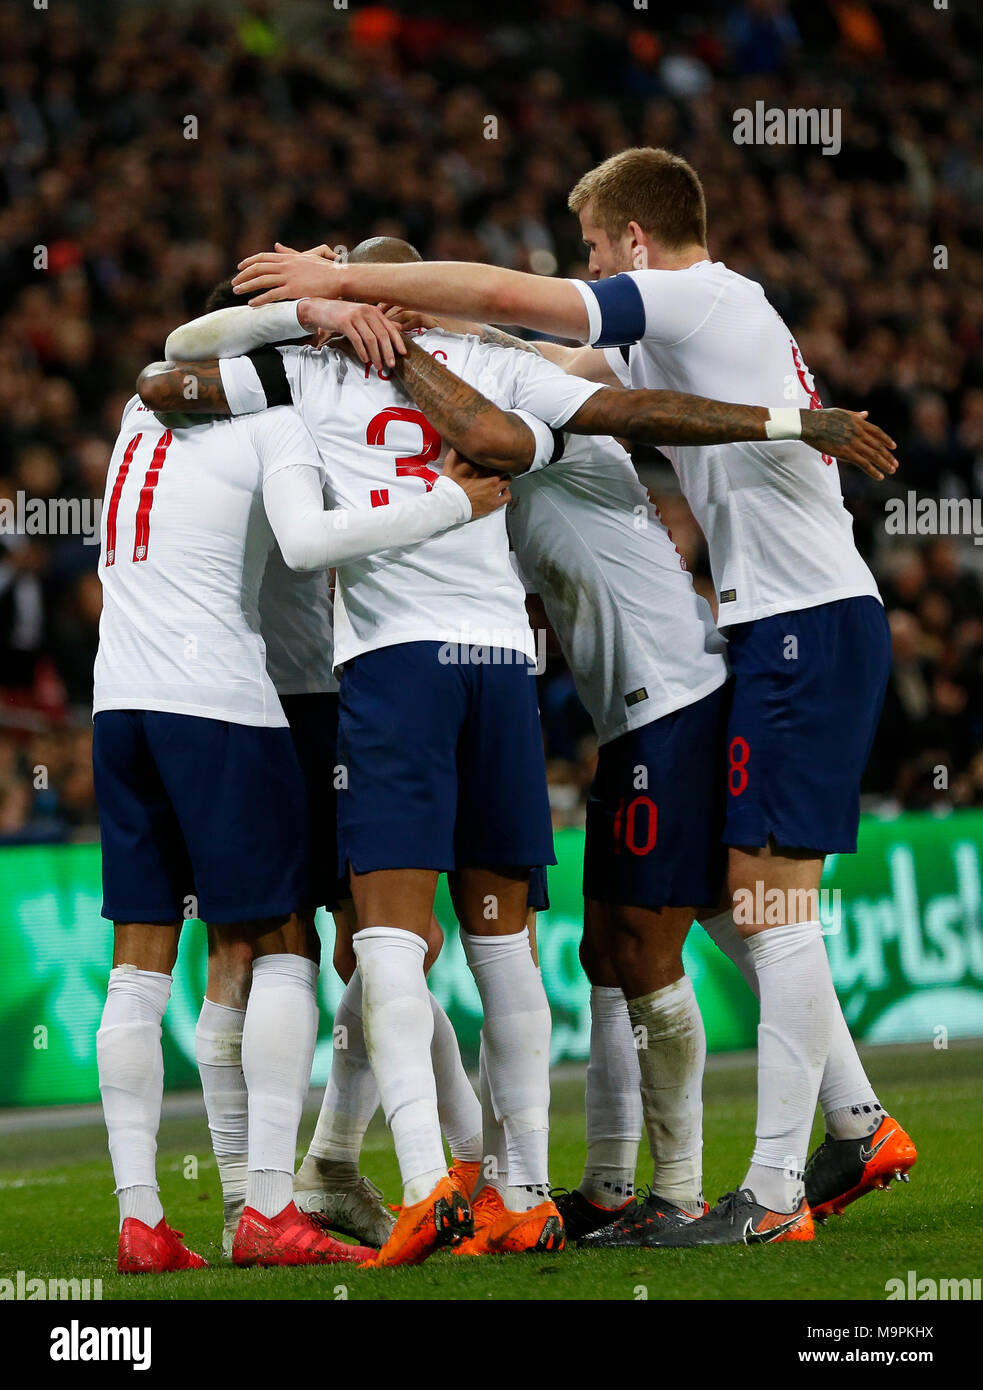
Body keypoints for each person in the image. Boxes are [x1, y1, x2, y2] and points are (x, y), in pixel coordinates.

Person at [231, 150, 915, 1245]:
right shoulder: (609, 344)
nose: (586, 264)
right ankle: (815, 1127)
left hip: (684, 684)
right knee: (678, 928)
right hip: (677, 678)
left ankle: (710, 1188)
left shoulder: (635, 325)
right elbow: (532, 346)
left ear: (632, 243)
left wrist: (356, 299)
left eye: (595, 246)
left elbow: (511, 321)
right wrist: (341, 298)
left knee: (686, 934)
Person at [94, 282, 509, 1272]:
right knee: (290, 944)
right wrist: (452, 499)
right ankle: (274, 1201)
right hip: (239, 700)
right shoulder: (277, 416)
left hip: (120, 698)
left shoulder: (137, 408)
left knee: (145, 965)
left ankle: (148, 1218)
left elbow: (185, 357)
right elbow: (307, 540)